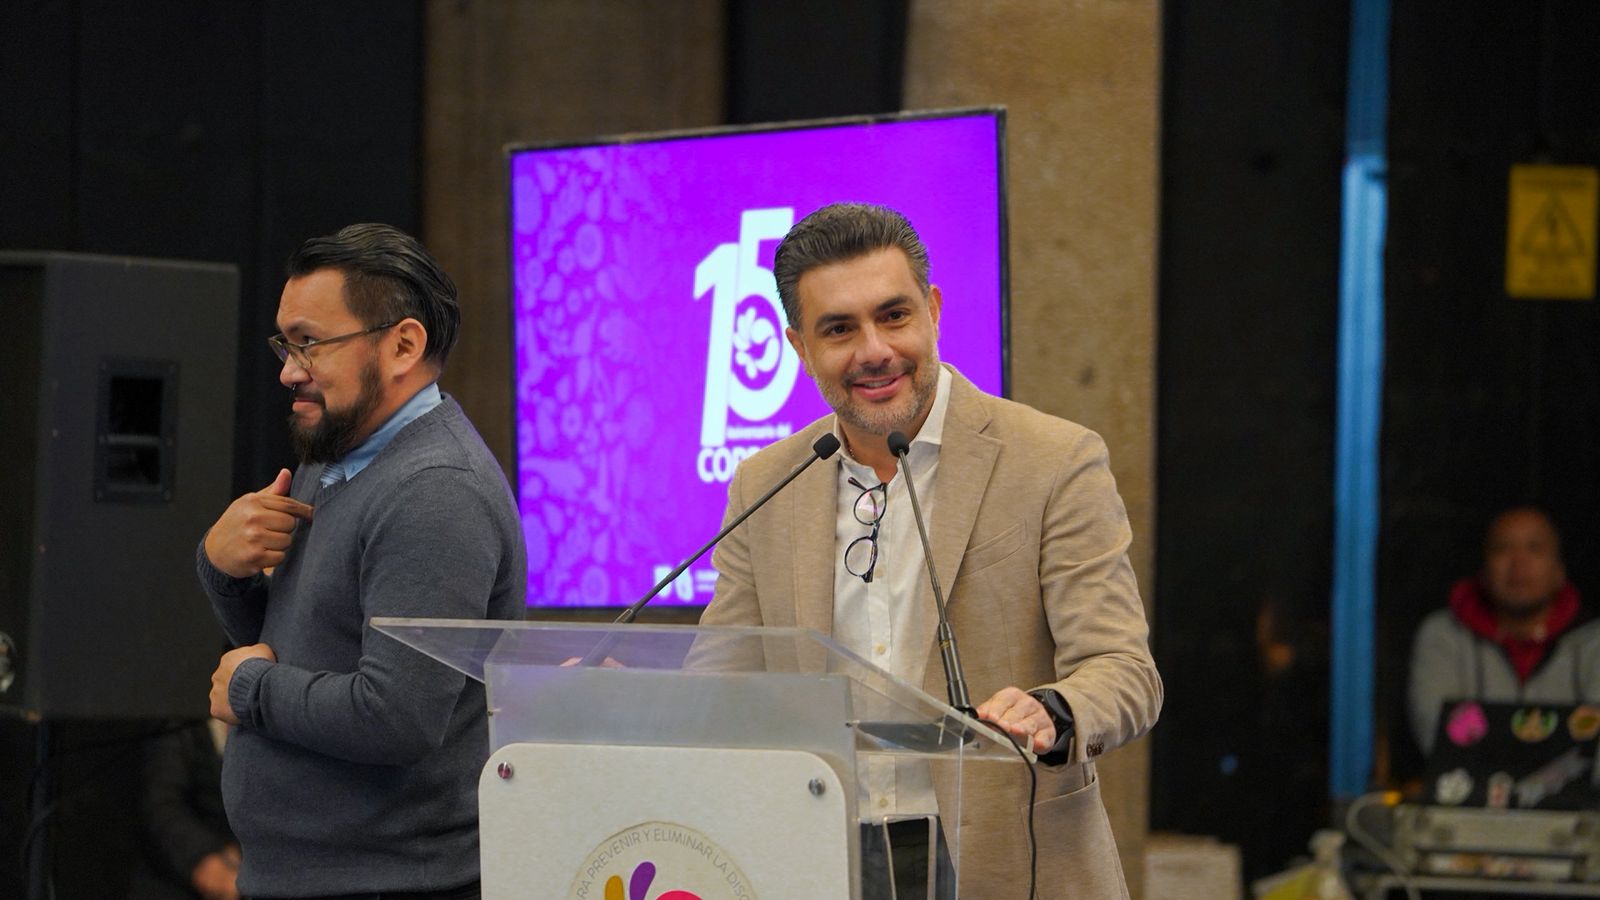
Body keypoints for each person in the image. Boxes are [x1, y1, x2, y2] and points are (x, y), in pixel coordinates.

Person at [699, 202, 1163, 897]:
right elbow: (721, 686)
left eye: (894, 316)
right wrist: (623, 700)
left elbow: (1124, 671)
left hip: (1009, 864)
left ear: (934, 310)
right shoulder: (765, 484)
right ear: (799, 347)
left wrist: (1055, 709)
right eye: (839, 329)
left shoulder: (1054, 460)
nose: (874, 351)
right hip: (822, 864)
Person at [196, 224, 525, 899]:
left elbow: (396, 716)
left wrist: (251, 690)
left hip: (393, 884)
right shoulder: (338, 456)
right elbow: (294, 646)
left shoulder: (435, 493)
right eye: (285, 344)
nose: (289, 370)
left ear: (403, 345)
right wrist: (224, 569)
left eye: (310, 343)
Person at [1408, 505, 1600, 756]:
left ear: (1559, 571)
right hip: (1468, 783)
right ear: (1483, 571)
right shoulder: (1444, 634)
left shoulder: (1593, 640)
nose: (1519, 562)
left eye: (1535, 548)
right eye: (1503, 549)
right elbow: (1438, 735)